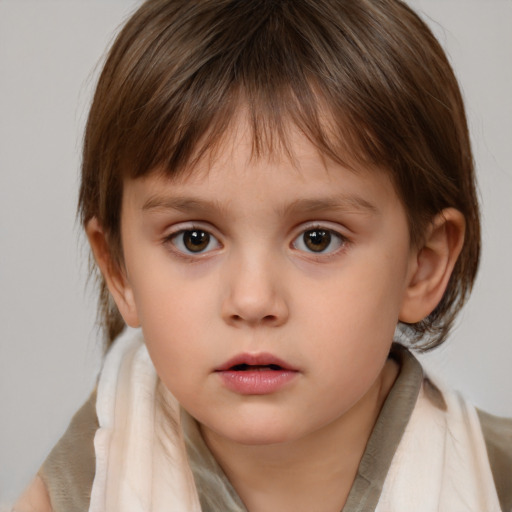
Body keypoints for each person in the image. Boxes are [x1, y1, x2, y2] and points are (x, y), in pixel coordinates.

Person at [14, 0, 512, 510]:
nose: (252, 301)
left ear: (421, 266)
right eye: (194, 239)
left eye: (318, 239)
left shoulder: (496, 479)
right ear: (119, 269)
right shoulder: (83, 486)